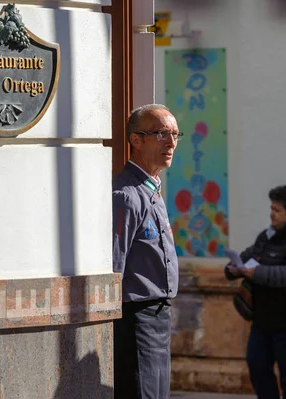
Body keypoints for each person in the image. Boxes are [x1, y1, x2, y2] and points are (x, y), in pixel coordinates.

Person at [112, 104, 182, 399]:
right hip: (136, 318)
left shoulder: (151, 189)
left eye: (175, 135)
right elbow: (114, 266)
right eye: (161, 134)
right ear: (136, 140)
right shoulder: (126, 195)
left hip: (157, 317)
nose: (171, 143)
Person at [225, 185, 286, 399]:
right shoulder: (266, 237)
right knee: (256, 366)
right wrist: (233, 269)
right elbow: (249, 256)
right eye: (271, 208)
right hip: (262, 322)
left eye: (277, 210)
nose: (272, 214)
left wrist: (256, 273)